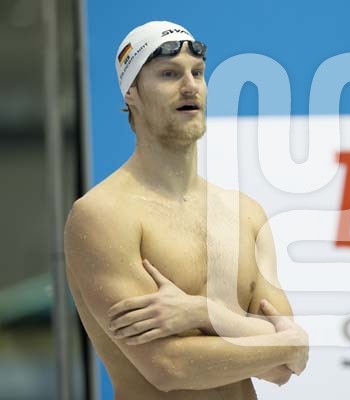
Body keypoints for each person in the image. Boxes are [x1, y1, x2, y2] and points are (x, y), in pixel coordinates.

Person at [63, 21, 308, 399]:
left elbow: (284, 366)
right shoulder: (103, 215)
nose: (190, 86)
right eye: (169, 74)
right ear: (131, 93)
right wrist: (279, 341)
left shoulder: (244, 214)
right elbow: (168, 366)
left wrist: (202, 313)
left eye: (197, 72)